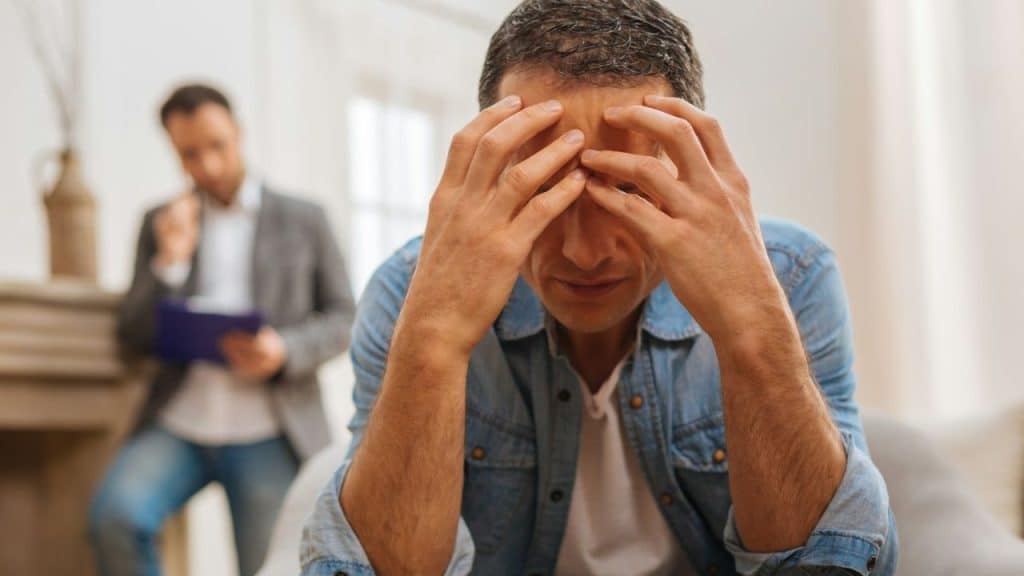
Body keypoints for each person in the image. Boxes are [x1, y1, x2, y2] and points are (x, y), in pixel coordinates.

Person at [301, 1, 897, 574]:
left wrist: (749, 327)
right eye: (544, 191)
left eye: (628, 191)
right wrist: (434, 342)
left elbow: (832, 564)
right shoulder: (408, 293)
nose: (584, 253)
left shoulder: (791, 277)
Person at [89, 83, 356, 576]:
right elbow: (131, 333)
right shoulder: (161, 222)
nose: (207, 166)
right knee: (114, 517)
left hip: (270, 431)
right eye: (189, 155)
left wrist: (284, 349)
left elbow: (344, 316)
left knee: (269, 567)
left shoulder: (304, 219)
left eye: (217, 147)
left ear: (238, 132)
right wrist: (168, 263)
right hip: (179, 423)